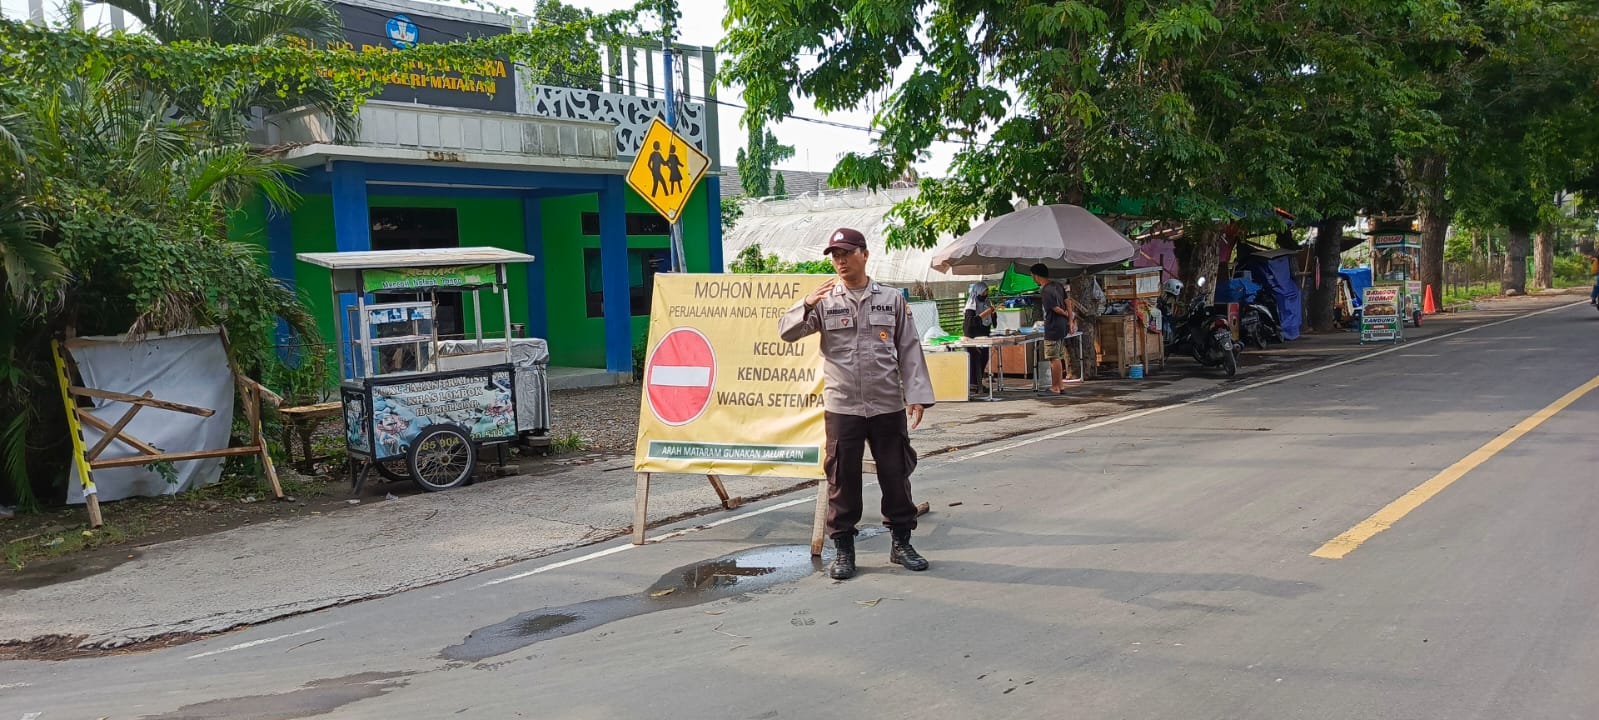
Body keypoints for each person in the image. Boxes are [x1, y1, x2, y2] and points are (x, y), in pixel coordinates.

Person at [779, 227, 935, 580]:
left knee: (896, 475)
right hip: (843, 405)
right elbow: (786, 333)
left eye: (846, 253)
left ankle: (901, 543)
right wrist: (806, 304)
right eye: (835, 256)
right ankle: (844, 550)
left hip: (886, 404)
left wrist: (917, 395)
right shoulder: (825, 301)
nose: (840, 261)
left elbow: (909, 348)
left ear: (864, 254)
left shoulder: (891, 299)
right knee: (842, 478)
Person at [1031, 263, 1078, 393]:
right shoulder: (1058, 285)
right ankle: (1060, 385)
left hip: (1053, 326)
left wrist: (1066, 314)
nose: (1032, 278)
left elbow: (1055, 308)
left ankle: (1056, 386)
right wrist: (1070, 320)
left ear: (1036, 276)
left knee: (1053, 357)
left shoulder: (1045, 290)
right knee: (1058, 355)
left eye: (1032, 276)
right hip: (1062, 326)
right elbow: (1068, 302)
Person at [962, 281, 996, 393]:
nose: (986, 293)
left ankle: (978, 383)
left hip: (984, 336)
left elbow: (992, 323)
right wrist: (985, 313)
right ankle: (973, 384)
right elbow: (970, 322)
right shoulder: (971, 305)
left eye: (986, 291)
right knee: (974, 359)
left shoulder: (986, 302)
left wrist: (992, 314)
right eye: (984, 291)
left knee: (984, 358)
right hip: (972, 337)